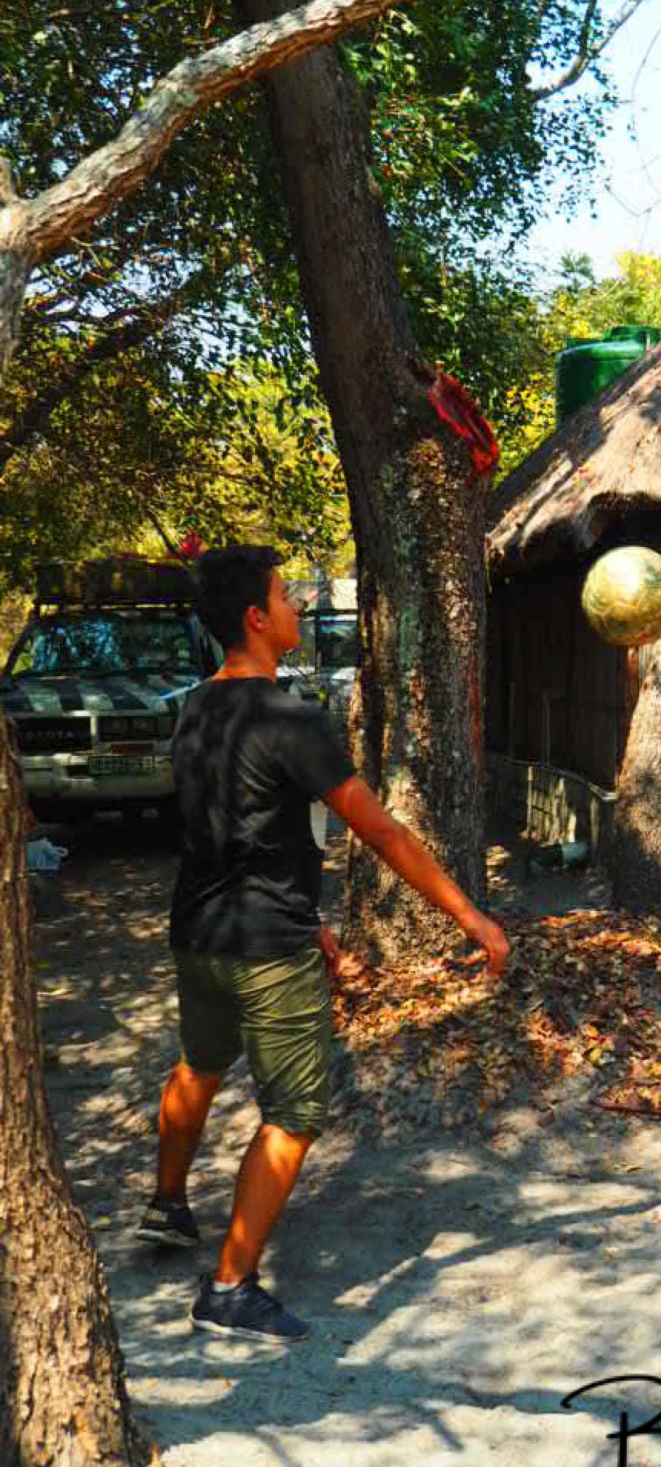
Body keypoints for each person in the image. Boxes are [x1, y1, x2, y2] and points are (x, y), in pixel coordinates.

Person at [137, 545, 509, 1341]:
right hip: (266, 950)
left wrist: (312, 917)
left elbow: (236, 832)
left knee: (199, 1063)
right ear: (255, 619)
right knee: (295, 1112)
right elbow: (378, 829)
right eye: (285, 596)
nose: (297, 607)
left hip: (200, 934)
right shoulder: (290, 718)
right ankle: (230, 1286)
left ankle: (166, 1204)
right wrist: (470, 916)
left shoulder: (195, 708)